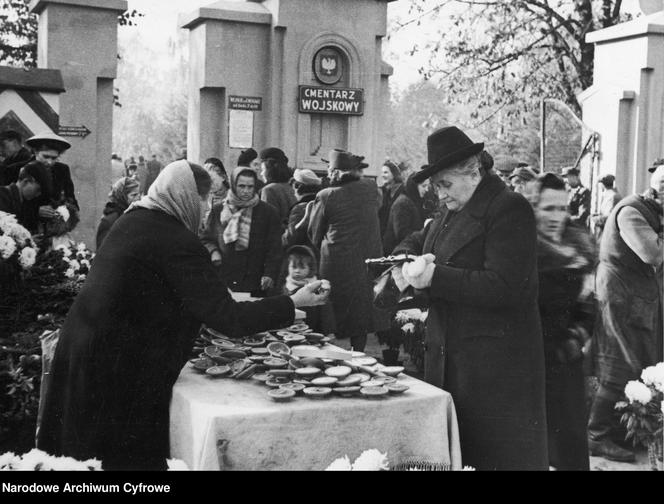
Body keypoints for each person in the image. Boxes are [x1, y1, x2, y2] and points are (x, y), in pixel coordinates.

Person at [36, 160, 328, 470]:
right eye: (207, 199)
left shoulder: (134, 219)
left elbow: (157, 293)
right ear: (189, 196)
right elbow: (229, 317)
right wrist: (293, 301)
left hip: (86, 352)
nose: (208, 209)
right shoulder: (176, 239)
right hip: (114, 368)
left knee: (83, 461)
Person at [392, 126, 548, 470]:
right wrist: (403, 259)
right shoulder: (454, 209)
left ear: (473, 172)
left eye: (445, 185)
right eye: (436, 188)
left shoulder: (508, 208)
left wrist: (436, 277)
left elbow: (506, 286)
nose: (440, 195)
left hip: (495, 372)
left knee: (491, 458)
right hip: (455, 361)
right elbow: (420, 239)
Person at [587, 164, 664, 462]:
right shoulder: (631, 211)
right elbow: (652, 253)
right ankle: (596, 436)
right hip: (619, 299)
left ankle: (620, 434)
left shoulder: (650, 211)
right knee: (617, 365)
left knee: (637, 365)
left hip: (634, 298)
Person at [531, 172, 596, 471]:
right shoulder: (523, 251)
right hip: (530, 365)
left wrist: (576, 337)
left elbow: (590, 306)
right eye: (548, 209)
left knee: (569, 444)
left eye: (562, 208)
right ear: (533, 208)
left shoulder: (580, 250)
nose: (557, 216)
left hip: (565, 363)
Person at [308, 149, 389, 352]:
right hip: (365, 261)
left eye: (329, 169)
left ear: (336, 172)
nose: (327, 173)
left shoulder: (326, 196)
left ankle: (329, 355)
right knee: (358, 311)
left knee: (330, 309)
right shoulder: (371, 190)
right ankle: (358, 353)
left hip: (335, 264)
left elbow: (314, 234)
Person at [201, 166, 282, 296]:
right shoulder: (218, 210)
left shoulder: (268, 212)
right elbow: (206, 238)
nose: (246, 191)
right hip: (224, 277)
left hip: (254, 279)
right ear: (233, 185)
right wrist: (214, 252)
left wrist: (269, 274)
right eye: (241, 186)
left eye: (250, 187)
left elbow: (275, 248)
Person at [3, 132, 79, 236]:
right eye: (46, 156)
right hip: (22, 229)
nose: (49, 162)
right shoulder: (14, 169)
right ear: (35, 152)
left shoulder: (62, 170)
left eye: (54, 158)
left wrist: (64, 212)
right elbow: (7, 205)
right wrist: (35, 211)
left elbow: (71, 198)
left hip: (52, 231)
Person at [282, 245, 334, 334]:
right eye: (293, 267)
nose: (297, 271)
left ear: (310, 268)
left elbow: (325, 311)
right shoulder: (286, 285)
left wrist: (328, 331)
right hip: (290, 328)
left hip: (312, 328)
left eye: (302, 267)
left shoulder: (315, 286)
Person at [383, 173, 430, 254]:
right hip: (398, 252)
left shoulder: (415, 200)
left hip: (407, 249)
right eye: (423, 186)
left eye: (427, 186)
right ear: (414, 186)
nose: (427, 189)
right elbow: (402, 234)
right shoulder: (402, 203)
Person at [0, 161, 52, 231]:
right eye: (38, 189)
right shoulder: (3, 197)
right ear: (26, 181)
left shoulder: (22, 201)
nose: (38, 194)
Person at [95, 177, 141, 250]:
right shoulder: (110, 221)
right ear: (122, 197)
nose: (138, 198)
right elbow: (103, 252)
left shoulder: (135, 215)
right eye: (134, 195)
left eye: (139, 194)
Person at [281, 168, 321, 251]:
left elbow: (291, 238)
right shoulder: (321, 205)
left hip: (302, 255)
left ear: (297, 186)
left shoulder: (299, 208)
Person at [259, 153, 297, 227]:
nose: (261, 173)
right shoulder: (289, 186)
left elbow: (267, 220)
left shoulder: (268, 190)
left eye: (263, 169)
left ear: (270, 171)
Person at [378, 160, 405, 239]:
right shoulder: (382, 191)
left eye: (386, 172)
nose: (382, 175)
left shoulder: (402, 190)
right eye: (382, 172)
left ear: (394, 174)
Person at [591, 174, 622, 240]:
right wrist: (597, 215)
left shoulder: (612, 196)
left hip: (608, 234)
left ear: (602, 184)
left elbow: (609, 218)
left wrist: (594, 218)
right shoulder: (608, 195)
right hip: (604, 232)